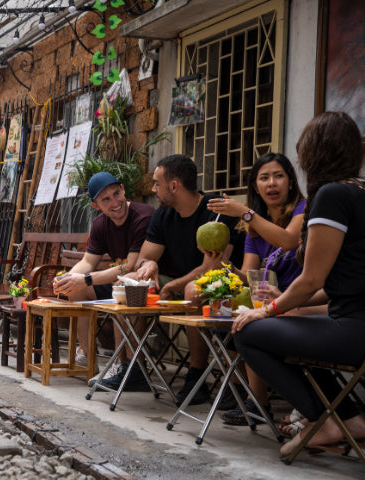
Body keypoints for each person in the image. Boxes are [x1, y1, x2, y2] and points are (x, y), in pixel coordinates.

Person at [233, 111, 365, 457]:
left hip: (352, 329)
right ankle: (351, 418)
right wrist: (285, 308)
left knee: (247, 334)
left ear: (313, 154)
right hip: (352, 320)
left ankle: (321, 419)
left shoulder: (333, 196)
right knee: (287, 324)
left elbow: (311, 279)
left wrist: (269, 311)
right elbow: (344, 280)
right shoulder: (359, 191)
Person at [207, 153, 307, 423]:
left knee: (249, 326)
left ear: (290, 182)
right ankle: (256, 403)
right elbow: (250, 277)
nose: (271, 183)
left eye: (278, 176)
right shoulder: (254, 228)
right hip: (269, 304)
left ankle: (257, 401)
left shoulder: (303, 210)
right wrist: (224, 264)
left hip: (301, 301)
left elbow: (288, 241)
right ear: (256, 186)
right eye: (264, 178)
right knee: (235, 319)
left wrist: (244, 213)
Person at [134, 154, 239, 405]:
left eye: (157, 183)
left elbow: (211, 267)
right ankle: (132, 367)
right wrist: (148, 264)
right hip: (179, 282)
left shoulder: (216, 210)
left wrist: (172, 285)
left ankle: (197, 374)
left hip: (223, 283)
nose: (153, 189)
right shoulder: (163, 214)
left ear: (174, 186)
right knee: (131, 281)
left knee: (193, 290)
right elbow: (143, 258)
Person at [52, 172, 154, 390]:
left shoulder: (142, 216)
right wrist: (67, 278)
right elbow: (88, 262)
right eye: (106, 199)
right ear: (96, 205)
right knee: (75, 290)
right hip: (122, 279)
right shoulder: (100, 224)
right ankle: (87, 357)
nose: (115, 202)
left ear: (123, 189)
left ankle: (123, 365)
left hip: (146, 279)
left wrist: (86, 279)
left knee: (122, 285)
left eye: (116, 194)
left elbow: (131, 265)